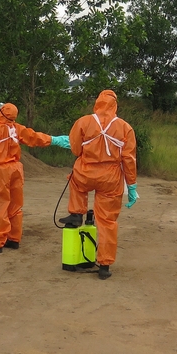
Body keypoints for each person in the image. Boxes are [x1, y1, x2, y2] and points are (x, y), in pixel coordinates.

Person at [0, 102, 70, 253]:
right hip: (15, 169)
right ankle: (13, 238)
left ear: (1, 112)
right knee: (14, 205)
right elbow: (35, 137)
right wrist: (55, 140)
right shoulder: (17, 129)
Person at [58, 89, 138, 280]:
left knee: (76, 181)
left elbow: (76, 149)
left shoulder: (83, 122)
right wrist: (132, 185)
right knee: (108, 222)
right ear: (115, 105)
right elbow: (129, 159)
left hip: (85, 172)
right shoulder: (125, 127)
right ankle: (104, 265)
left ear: (97, 103)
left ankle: (77, 213)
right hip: (111, 178)